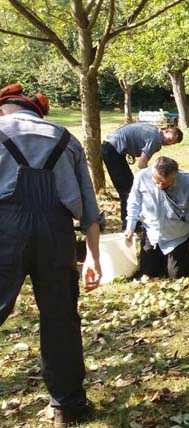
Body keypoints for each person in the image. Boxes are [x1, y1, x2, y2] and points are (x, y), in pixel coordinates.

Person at [0, 83, 102, 427]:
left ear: (2, 109)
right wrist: (93, 257)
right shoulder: (65, 137)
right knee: (60, 317)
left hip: (4, 230)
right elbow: (89, 205)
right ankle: (67, 406)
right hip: (56, 231)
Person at [125, 156, 189, 279]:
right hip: (153, 233)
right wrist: (130, 226)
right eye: (157, 181)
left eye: (165, 183)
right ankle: (163, 259)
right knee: (149, 272)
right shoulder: (142, 177)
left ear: (175, 175)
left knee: (176, 274)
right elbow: (134, 203)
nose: (160, 186)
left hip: (179, 236)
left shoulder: (188, 183)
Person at [102, 123, 183, 228]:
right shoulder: (156, 140)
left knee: (129, 187)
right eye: (170, 139)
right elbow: (142, 164)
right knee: (127, 190)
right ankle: (128, 224)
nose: (169, 143)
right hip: (112, 151)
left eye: (172, 143)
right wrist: (154, 180)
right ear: (166, 131)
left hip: (112, 148)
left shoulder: (153, 130)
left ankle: (131, 221)